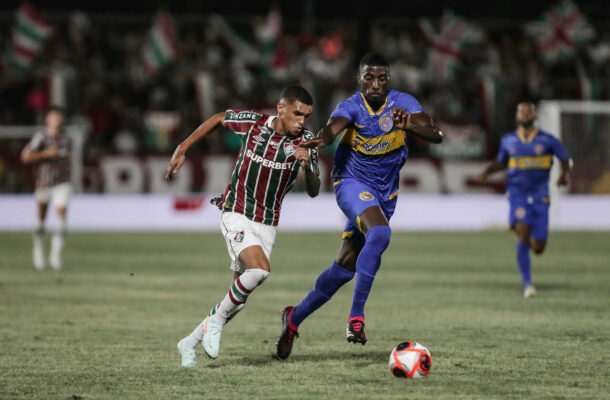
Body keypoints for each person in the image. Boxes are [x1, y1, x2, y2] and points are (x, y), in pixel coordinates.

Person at [275, 53, 443, 360]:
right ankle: (356, 318)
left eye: (381, 78)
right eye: (369, 78)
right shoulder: (351, 106)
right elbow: (332, 128)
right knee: (380, 235)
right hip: (351, 184)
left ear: (388, 80)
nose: (375, 84)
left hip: (385, 195)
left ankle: (293, 319)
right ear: (360, 80)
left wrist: (412, 126)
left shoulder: (403, 103)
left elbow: (436, 134)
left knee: (343, 270)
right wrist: (320, 140)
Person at [166, 85, 320, 366]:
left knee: (237, 297)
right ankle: (215, 321)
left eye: (306, 116)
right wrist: (183, 146)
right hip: (235, 210)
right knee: (259, 270)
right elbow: (218, 118)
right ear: (280, 108)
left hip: (268, 224)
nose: (302, 121)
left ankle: (188, 343)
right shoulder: (254, 124)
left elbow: (314, 190)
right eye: (297, 114)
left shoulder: (307, 142)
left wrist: (308, 167)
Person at [476, 102, 571, 298]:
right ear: (517, 116)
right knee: (522, 233)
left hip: (540, 196)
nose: (525, 114)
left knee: (538, 248)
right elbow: (501, 163)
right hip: (517, 195)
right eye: (521, 111)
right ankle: (528, 284)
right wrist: (486, 173)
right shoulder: (508, 140)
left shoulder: (548, 140)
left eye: (528, 111)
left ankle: (528, 239)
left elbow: (565, 160)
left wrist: (564, 176)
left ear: (535, 116)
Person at [20, 106, 71, 270]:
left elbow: (69, 157)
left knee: (62, 222)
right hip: (43, 183)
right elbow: (25, 156)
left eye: (58, 117)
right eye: (53, 117)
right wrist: (46, 154)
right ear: (47, 119)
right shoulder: (41, 137)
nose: (56, 120)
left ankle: (55, 257)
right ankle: (38, 252)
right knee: (41, 222)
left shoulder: (66, 138)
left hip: (62, 183)